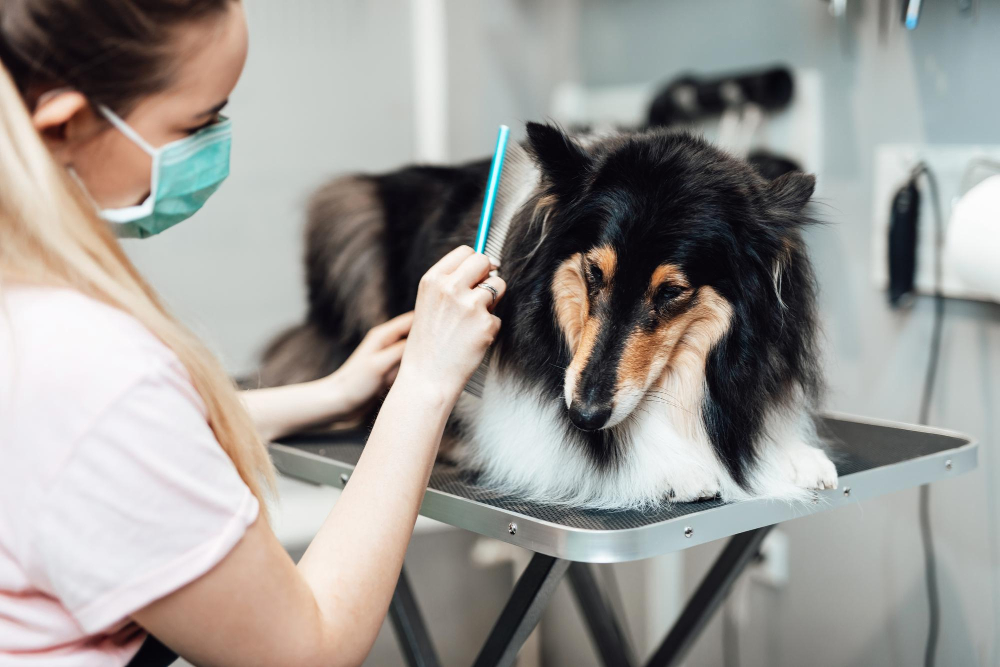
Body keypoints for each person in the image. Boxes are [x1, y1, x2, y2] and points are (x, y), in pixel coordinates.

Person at [0, 1, 506, 665]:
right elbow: (309, 649)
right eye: (198, 121)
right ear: (65, 122)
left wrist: (328, 393)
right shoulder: (90, 367)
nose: (215, 143)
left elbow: (91, 444)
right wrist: (427, 381)